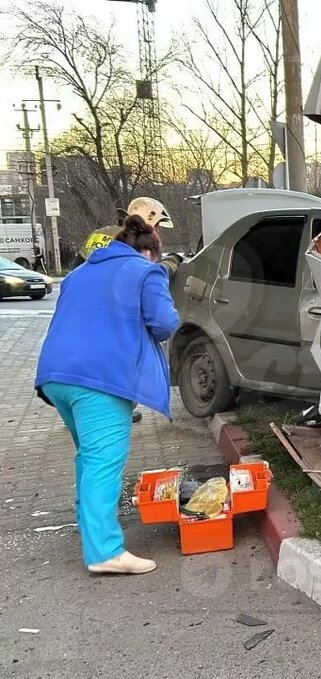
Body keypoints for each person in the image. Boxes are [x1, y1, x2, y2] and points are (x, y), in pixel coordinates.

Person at [35, 201, 180, 575]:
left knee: (87, 457)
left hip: (55, 376)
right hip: (101, 379)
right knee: (103, 462)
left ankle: (91, 532)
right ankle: (104, 552)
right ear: (148, 249)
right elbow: (164, 323)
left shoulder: (81, 272)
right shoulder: (145, 271)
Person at [73, 199, 179, 425]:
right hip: (108, 360)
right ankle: (118, 409)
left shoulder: (100, 236)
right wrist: (170, 264)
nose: (160, 233)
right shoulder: (139, 256)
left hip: (74, 347)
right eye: (158, 227)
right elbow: (161, 318)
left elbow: (78, 268)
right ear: (150, 224)